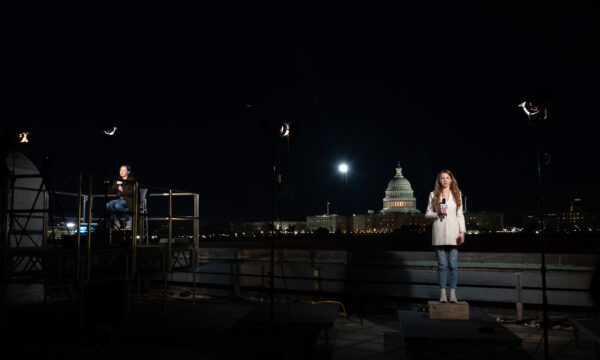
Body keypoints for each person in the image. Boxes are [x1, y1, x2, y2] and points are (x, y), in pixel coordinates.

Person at [425, 170, 466, 303]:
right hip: (439, 233)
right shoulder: (433, 195)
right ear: (439, 180)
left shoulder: (457, 194)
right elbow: (427, 214)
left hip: (454, 234)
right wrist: (437, 214)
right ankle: (443, 293)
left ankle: (452, 294)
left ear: (451, 180)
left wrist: (462, 232)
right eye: (442, 178)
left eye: (447, 178)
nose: (445, 180)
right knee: (442, 265)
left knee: (453, 265)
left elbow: (460, 215)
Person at [106, 164, 136, 230]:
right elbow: (112, 191)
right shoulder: (118, 180)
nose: (121, 172)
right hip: (119, 198)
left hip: (128, 199)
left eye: (124, 170)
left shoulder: (132, 181)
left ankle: (128, 219)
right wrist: (107, 185)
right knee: (108, 205)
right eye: (120, 170)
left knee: (117, 205)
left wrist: (123, 190)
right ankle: (115, 221)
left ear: (128, 172)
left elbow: (132, 193)